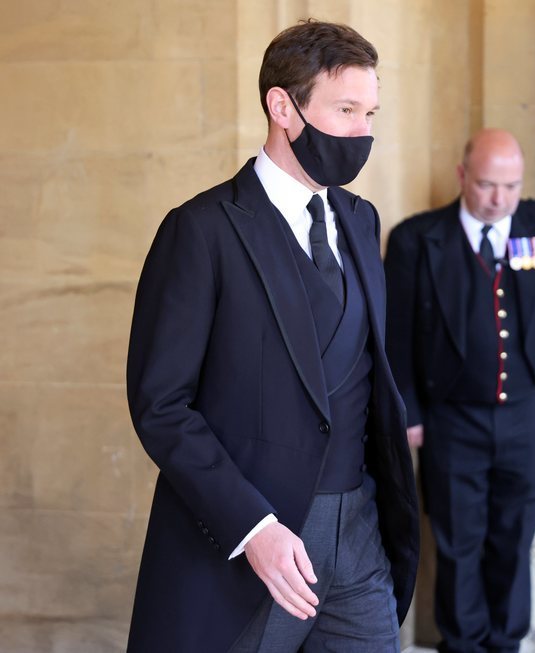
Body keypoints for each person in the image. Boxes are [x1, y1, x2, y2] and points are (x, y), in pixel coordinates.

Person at [125, 19, 418, 653]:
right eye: (345, 110)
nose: (362, 133)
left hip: (359, 535)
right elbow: (161, 405)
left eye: (370, 113)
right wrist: (253, 527)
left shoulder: (362, 221)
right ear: (282, 106)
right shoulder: (200, 230)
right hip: (248, 546)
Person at [384, 128, 535, 653]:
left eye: (511, 186)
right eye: (486, 185)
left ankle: (506, 644)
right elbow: (396, 333)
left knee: (513, 540)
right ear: (461, 177)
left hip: (528, 414)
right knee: (456, 544)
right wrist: (408, 410)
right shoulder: (416, 240)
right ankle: (463, 644)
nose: (499, 198)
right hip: (450, 419)